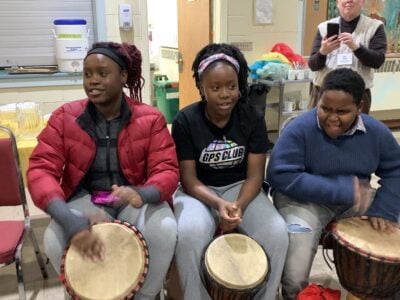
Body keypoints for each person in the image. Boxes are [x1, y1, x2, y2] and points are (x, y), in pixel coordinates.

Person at [27, 41, 179, 300]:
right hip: (88, 199)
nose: (93, 81)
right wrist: (69, 217)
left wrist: (141, 193)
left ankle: (146, 295)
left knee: (163, 228)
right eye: (87, 74)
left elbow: (167, 169)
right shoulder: (65, 117)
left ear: (122, 76)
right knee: (54, 238)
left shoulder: (150, 118)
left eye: (102, 73)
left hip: (133, 197)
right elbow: (40, 169)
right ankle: (90, 292)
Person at [266, 68, 400, 300]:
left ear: (360, 108)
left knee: (394, 228)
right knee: (298, 248)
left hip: (354, 201)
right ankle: (294, 296)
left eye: (343, 111)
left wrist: (384, 210)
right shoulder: (299, 128)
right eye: (325, 108)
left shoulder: (376, 132)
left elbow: (396, 170)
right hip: (303, 201)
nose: (332, 117)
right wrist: (343, 190)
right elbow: (280, 175)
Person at [171, 43, 288, 300]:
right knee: (189, 234)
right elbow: (188, 179)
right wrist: (219, 203)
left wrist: (238, 205)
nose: (225, 94)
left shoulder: (252, 118)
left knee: (278, 234)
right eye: (215, 87)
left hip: (241, 188)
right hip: (198, 192)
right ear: (201, 88)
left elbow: (256, 176)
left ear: (240, 85)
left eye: (232, 86)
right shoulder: (185, 121)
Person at [308, 0, 387, 113]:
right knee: (318, 129)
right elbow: (312, 65)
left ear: (362, 2)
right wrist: (323, 52)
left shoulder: (374, 27)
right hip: (323, 92)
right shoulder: (323, 28)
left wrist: (356, 47)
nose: (349, 1)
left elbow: (377, 61)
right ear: (337, 3)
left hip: (357, 95)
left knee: (355, 129)